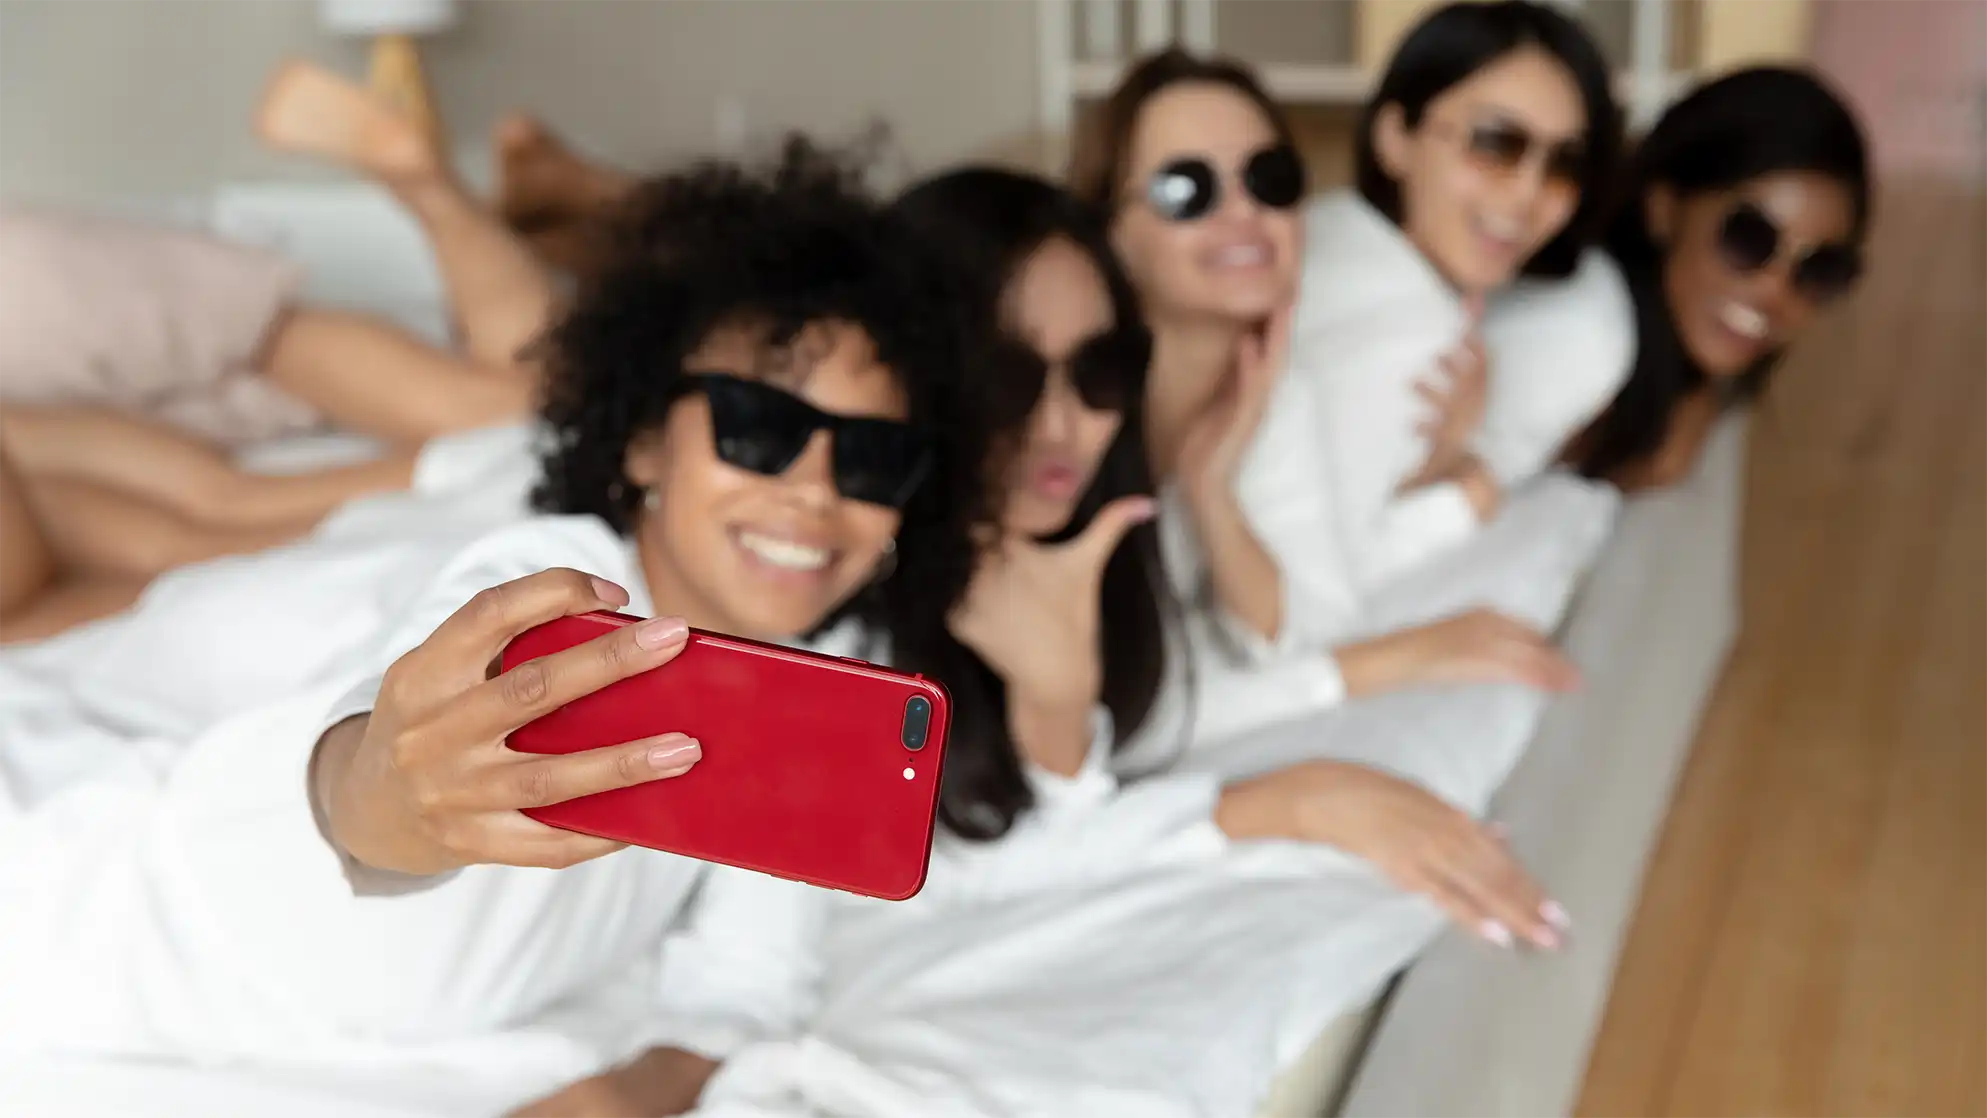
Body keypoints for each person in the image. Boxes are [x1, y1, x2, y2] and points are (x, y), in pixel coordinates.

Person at [509, 166, 1570, 1118]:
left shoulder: (1085, 547)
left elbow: (1044, 792)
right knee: (476, 427)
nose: (1061, 423)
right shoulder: (800, 569)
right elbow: (818, 892)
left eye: (1098, 370)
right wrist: (1279, 793)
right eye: (1012, 374)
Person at [0, 141, 986, 1117]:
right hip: (108, 904)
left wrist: (622, 1092)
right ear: (644, 438)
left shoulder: (826, 675)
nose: (811, 490)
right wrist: (382, 791)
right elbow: (387, 729)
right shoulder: (555, 578)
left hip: (300, 993)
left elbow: (747, 975)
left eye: (870, 459)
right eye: (756, 430)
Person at [1068, 2, 1631, 670]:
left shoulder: (1281, 360)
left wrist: (1212, 489)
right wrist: (1460, 495)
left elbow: (1290, 618)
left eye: (1267, 180)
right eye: (1495, 143)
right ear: (1393, 137)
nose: (1527, 193)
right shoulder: (1411, 339)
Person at [0, 60, 561, 634]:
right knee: (225, 505)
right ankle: (453, 192)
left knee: (522, 406)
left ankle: (430, 189)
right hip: (59, 352)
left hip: (51, 311)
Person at [1565, 66, 1872, 489]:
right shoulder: (1574, 349)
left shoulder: (1682, 395)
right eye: (1749, 238)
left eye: (1819, 269)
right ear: (1663, 209)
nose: (1774, 291)